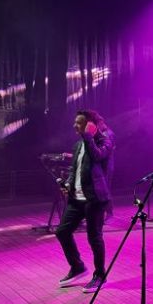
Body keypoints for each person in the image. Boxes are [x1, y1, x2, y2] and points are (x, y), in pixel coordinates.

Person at [56, 109, 115, 293]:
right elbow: (75, 169)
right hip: (77, 198)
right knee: (62, 231)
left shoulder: (104, 141)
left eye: (79, 123)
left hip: (94, 198)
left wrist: (89, 136)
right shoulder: (78, 145)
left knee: (94, 237)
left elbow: (97, 156)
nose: (75, 125)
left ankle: (100, 276)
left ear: (90, 125)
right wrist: (68, 183)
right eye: (75, 122)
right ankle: (77, 267)